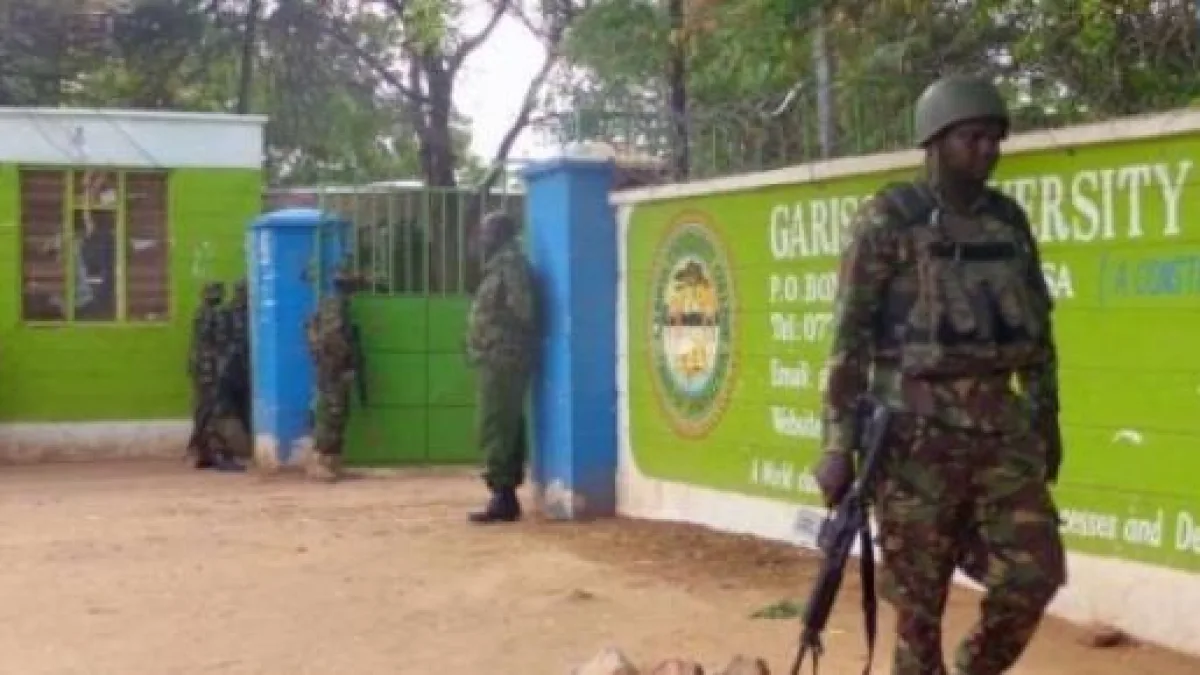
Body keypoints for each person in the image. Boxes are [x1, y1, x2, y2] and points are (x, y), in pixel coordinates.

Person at [814, 74, 1066, 675]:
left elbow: (1037, 332)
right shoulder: (887, 220)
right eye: (972, 137)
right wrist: (837, 445)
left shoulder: (1008, 221)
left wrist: (1046, 417)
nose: (988, 150)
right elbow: (849, 338)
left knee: (1034, 574)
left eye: (994, 138)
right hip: (913, 437)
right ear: (934, 140)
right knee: (918, 607)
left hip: (1000, 433)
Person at [464, 211, 537, 524]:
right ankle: (505, 494)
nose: (482, 239)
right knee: (503, 423)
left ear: (501, 234)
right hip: (497, 356)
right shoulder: (499, 266)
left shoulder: (511, 266)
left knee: (496, 423)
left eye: (487, 232)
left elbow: (524, 311)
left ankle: (502, 495)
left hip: (504, 358)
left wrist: (496, 336)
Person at [305, 268, 359, 482]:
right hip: (332, 369)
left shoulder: (335, 304)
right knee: (331, 413)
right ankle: (319, 461)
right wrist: (344, 363)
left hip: (332, 368)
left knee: (338, 414)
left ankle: (332, 463)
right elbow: (333, 337)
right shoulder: (334, 306)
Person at [186, 281, 230, 469]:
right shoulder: (214, 315)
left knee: (203, 410)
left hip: (201, 367)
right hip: (209, 368)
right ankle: (211, 452)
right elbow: (221, 342)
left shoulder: (200, 313)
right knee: (210, 410)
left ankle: (202, 452)